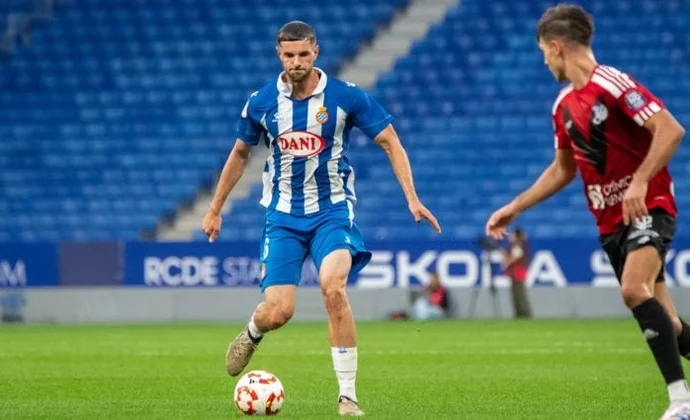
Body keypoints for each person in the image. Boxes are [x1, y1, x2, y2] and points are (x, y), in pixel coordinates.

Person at [201, 21, 441, 416]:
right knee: (279, 311)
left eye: (303, 54)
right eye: (289, 55)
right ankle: (253, 331)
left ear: (316, 52)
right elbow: (240, 153)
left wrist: (412, 198)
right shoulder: (261, 102)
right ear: (279, 55)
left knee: (333, 288)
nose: (296, 62)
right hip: (283, 217)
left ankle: (348, 396)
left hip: (332, 211)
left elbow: (390, 142)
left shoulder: (345, 97)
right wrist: (214, 208)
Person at [485, 4, 689, 419]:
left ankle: (680, 402)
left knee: (633, 290)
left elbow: (670, 129)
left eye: (543, 52)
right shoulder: (563, 105)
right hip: (610, 223)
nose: (544, 61)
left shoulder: (612, 83)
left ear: (556, 47)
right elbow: (563, 170)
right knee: (668, 322)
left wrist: (640, 180)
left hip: (648, 207)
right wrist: (514, 207)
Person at [501, 228, 532, 319]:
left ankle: (524, 313)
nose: (510, 236)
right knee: (516, 294)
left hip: (518, 272)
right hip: (515, 272)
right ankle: (520, 314)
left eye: (513, 235)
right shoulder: (518, 245)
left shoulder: (518, 245)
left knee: (519, 294)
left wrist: (506, 263)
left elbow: (515, 257)